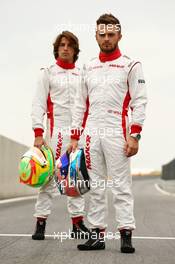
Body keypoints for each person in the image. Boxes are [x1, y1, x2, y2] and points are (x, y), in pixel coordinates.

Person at [69, 14, 147, 253]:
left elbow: (140, 101)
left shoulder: (131, 65)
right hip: (91, 133)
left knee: (121, 185)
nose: (106, 39)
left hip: (117, 131)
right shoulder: (88, 66)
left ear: (119, 35)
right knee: (95, 185)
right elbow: (80, 104)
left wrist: (134, 135)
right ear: (95, 36)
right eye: (102, 34)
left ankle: (126, 234)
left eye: (111, 34)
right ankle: (97, 235)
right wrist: (75, 136)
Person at [31, 31, 89, 240]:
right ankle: (40, 222)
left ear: (75, 50)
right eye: (62, 45)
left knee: (74, 179)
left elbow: (86, 106)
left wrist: (78, 135)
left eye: (69, 45)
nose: (65, 48)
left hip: (77, 134)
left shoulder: (82, 74)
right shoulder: (47, 72)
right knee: (48, 180)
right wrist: (38, 133)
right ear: (57, 48)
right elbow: (38, 103)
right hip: (54, 134)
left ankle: (77, 224)